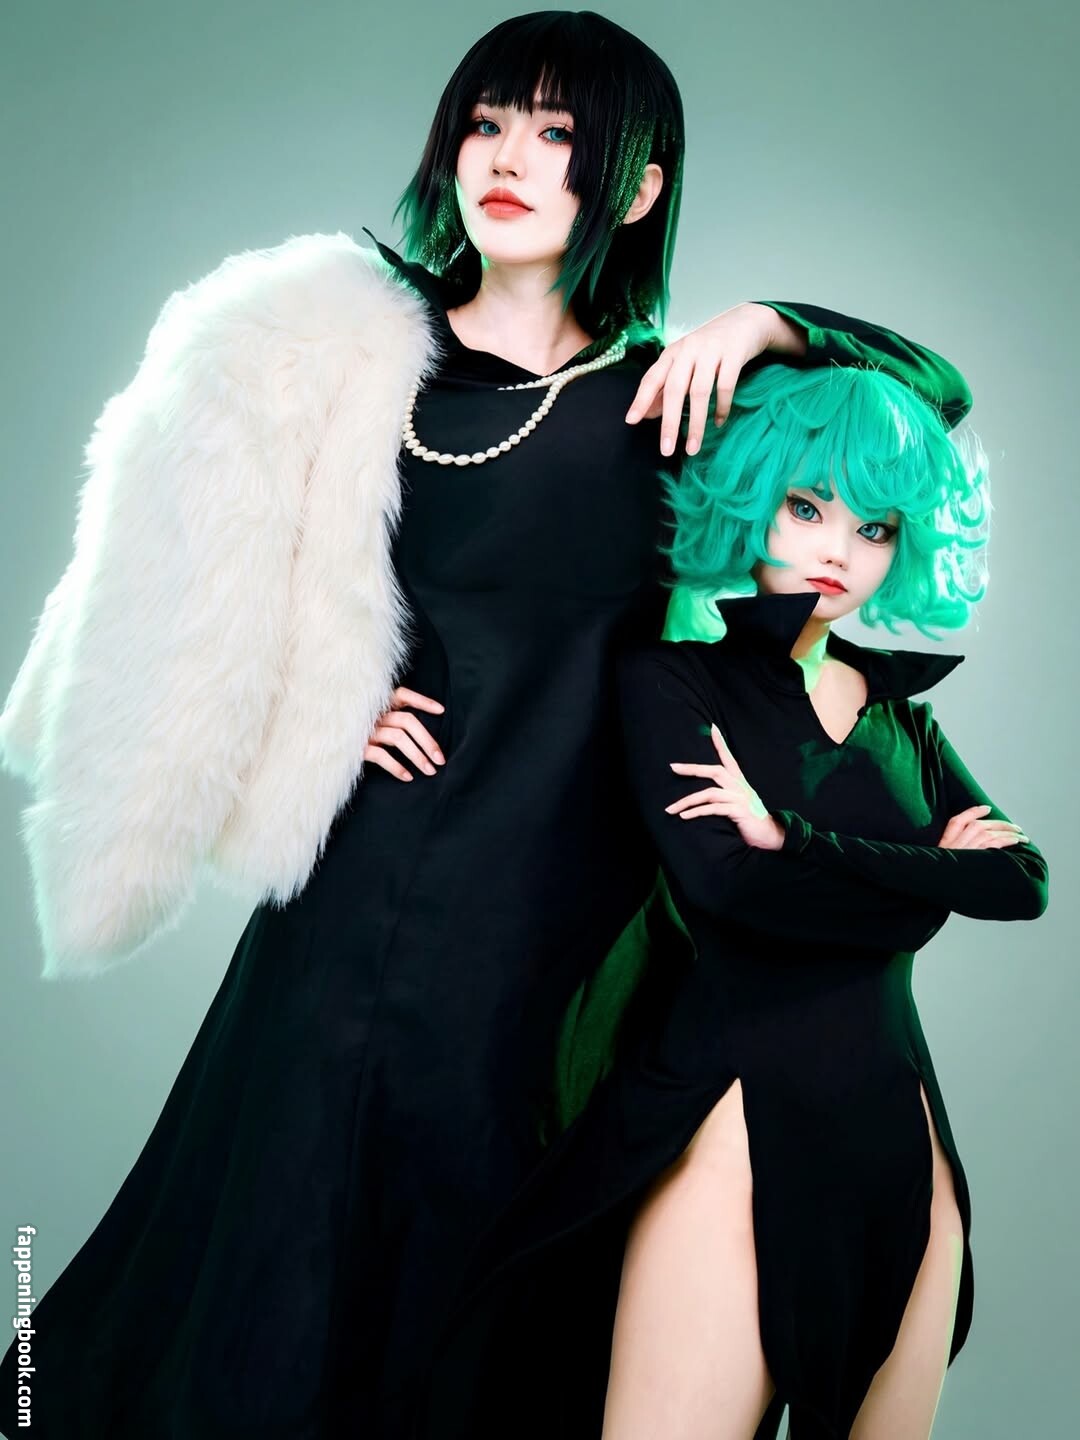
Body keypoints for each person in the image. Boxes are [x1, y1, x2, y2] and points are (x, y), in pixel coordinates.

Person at [0, 12, 975, 1440]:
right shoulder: (341, 351)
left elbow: (925, 401)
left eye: (559, 135)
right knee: (279, 1278)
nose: (508, 159)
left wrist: (773, 325)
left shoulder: (674, 396)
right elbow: (196, 600)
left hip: (576, 926)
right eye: (487, 123)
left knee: (497, 1305)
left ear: (637, 186)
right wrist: (311, 716)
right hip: (366, 902)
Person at [413, 361, 1050, 1440]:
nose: (839, 548)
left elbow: (1021, 882)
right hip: (728, 1119)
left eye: (876, 527)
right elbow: (729, 887)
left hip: (903, 1139)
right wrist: (920, 878)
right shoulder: (674, 683)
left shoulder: (903, 716)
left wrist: (794, 837)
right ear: (752, 496)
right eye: (807, 507)